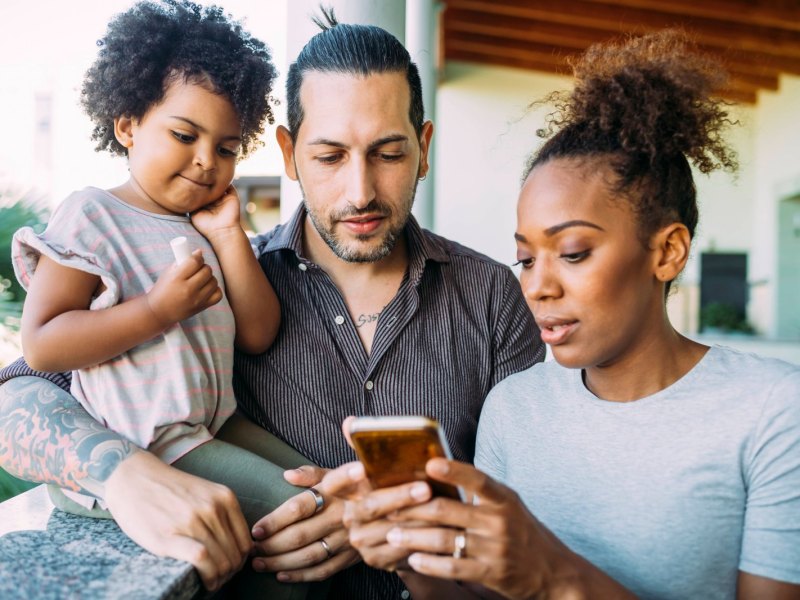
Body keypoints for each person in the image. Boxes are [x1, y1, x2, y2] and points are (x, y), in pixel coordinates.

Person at [0, 9, 545, 599]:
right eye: (329, 156)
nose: (359, 192)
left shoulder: (494, 299)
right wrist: (125, 474)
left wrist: (389, 524)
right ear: (288, 154)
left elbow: (534, 515)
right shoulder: (220, 274)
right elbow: (18, 394)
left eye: (388, 154)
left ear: (424, 146)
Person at [320, 30, 800, 599]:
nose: (537, 287)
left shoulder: (773, 411)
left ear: (667, 252)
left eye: (573, 253)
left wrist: (552, 574)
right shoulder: (514, 408)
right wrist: (414, 555)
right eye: (524, 258)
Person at [9, 1, 320, 597]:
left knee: (321, 487)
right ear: (127, 126)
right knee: (296, 512)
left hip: (211, 428)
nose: (207, 160)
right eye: (185, 135)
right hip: (145, 443)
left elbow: (258, 332)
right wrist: (156, 311)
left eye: (227, 148)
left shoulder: (208, 228)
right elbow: (44, 345)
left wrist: (229, 234)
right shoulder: (94, 215)